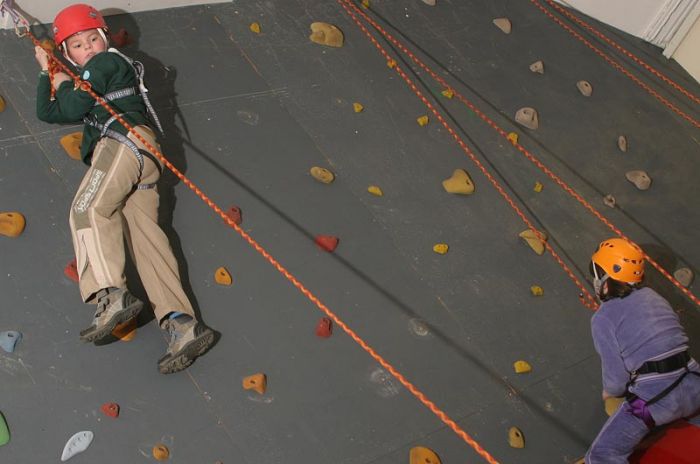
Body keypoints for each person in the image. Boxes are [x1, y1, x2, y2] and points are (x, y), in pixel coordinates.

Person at [33, 3, 214, 374]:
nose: (88, 49)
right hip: (143, 157)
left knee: (87, 210)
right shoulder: (99, 74)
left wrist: (55, 70)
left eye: (91, 40)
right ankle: (181, 323)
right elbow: (50, 111)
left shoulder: (105, 63)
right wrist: (48, 70)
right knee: (147, 240)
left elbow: (67, 106)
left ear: (103, 39)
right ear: (69, 52)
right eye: (78, 46)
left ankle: (110, 293)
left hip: (122, 144)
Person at [585, 238, 700, 463]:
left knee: (601, 455)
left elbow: (617, 380)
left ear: (605, 280)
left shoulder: (602, 318)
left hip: (658, 399)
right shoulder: (656, 298)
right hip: (695, 383)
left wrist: (609, 393)